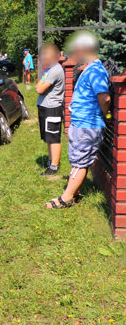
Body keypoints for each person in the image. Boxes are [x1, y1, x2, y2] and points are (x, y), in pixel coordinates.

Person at [47, 32, 111, 209]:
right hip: (82, 123)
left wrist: (106, 115)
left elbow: (104, 99)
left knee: (79, 162)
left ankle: (65, 199)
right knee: (79, 161)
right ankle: (74, 193)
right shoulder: (89, 68)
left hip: (87, 124)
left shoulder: (97, 70)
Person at [35, 43, 65, 177]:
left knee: (53, 138)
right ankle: (50, 162)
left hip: (52, 109)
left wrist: (40, 85)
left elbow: (40, 88)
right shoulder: (48, 70)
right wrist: (40, 85)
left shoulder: (55, 70)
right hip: (45, 107)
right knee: (48, 137)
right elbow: (38, 86)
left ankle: (54, 166)